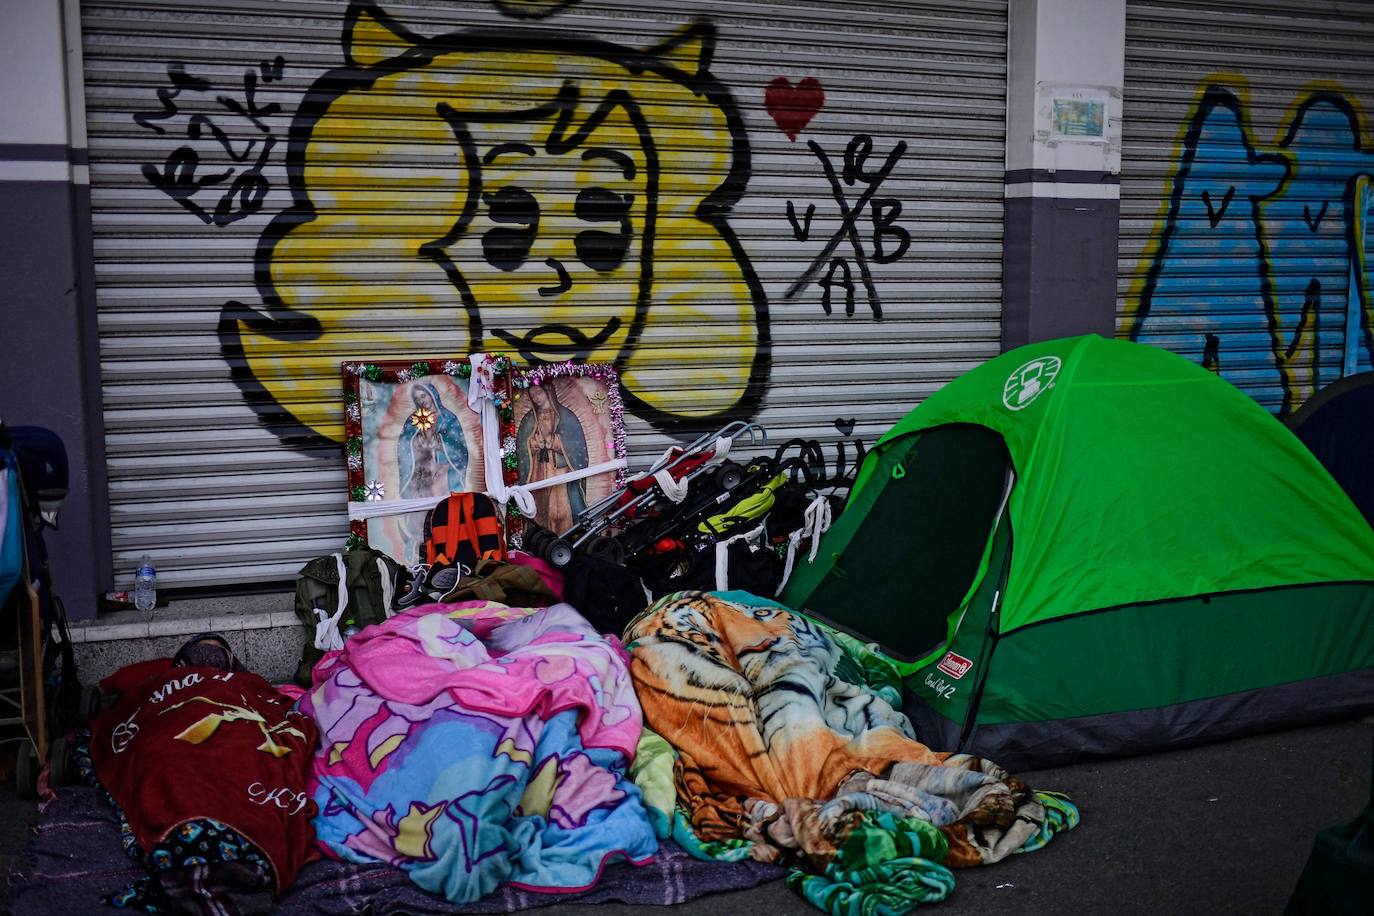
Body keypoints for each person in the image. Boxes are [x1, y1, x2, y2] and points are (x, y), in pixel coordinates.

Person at [397, 383, 469, 545]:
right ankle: (422, 545)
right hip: (422, 477)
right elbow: (404, 448)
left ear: (432, 395)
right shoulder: (412, 421)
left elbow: (460, 449)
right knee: (422, 518)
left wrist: (441, 444)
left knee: (446, 514)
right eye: (417, 399)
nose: (422, 401)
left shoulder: (448, 418)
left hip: (443, 475)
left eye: (424, 396)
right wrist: (417, 443)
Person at [517, 382, 589, 534]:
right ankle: (541, 537)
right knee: (540, 507)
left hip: (559, 470)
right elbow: (523, 445)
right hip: (537, 470)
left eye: (539, 393)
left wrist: (554, 441)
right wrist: (533, 443)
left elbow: (575, 444)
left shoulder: (566, 416)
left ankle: (567, 535)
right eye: (533, 395)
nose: (536, 398)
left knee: (560, 509)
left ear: (548, 392)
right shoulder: (529, 419)